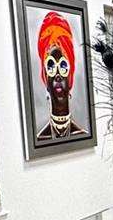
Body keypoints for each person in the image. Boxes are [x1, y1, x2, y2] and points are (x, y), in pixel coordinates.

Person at [36, 11, 88, 141]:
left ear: (70, 76)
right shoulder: (41, 139)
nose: (58, 75)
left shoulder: (82, 135)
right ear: (45, 76)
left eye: (63, 66)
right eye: (51, 67)